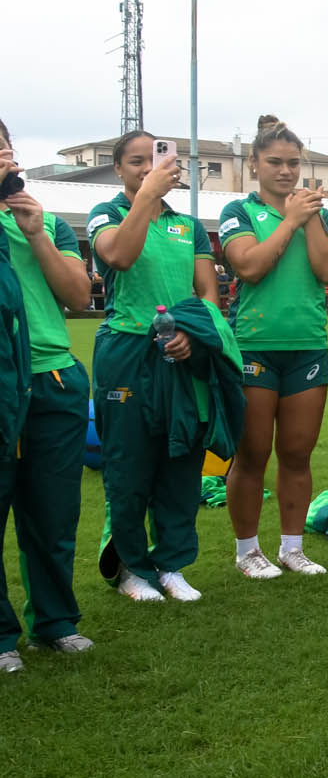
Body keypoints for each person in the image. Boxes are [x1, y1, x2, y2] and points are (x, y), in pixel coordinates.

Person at [86, 131, 228, 603]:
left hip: (179, 352)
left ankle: (172, 564)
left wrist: (192, 335)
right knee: (129, 464)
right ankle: (130, 568)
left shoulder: (186, 225)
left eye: (156, 159)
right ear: (118, 169)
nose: (147, 168)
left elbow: (207, 294)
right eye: (136, 162)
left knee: (181, 457)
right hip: (127, 348)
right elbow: (119, 256)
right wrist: (146, 197)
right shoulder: (107, 215)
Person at [220, 116, 328, 578]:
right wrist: (290, 220)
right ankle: (248, 551)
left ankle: (292, 548)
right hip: (253, 347)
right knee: (252, 455)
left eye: (293, 163)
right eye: (275, 162)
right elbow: (249, 266)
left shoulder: (321, 215)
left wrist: (307, 218)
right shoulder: (240, 212)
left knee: (297, 453)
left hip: (306, 347)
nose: (285, 171)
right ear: (254, 164)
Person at [0, 124, 92, 667]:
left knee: (54, 515)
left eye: (6, 145)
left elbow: (79, 296)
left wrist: (34, 232)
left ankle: (55, 622)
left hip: (54, 380)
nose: (4, 155)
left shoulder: (48, 221)